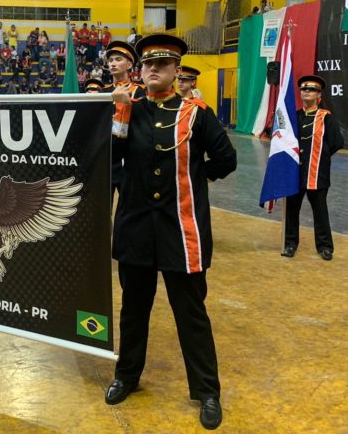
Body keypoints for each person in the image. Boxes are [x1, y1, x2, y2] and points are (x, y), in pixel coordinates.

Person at [106, 34, 237, 431]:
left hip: (183, 230)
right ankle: (127, 375)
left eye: (162, 65)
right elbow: (109, 159)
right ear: (139, 70)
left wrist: (197, 177)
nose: (153, 70)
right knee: (134, 310)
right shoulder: (128, 109)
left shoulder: (196, 113)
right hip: (137, 229)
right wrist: (117, 120)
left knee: (191, 314)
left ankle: (207, 391)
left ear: (177, 70)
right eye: (147, 65)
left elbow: (226, 159)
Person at [282, 75, 344, 261]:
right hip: (295, 173)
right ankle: (290, 243)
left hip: (317, 173)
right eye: (304, 89)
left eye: (312, 89)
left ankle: (325, 246)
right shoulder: (294, 116)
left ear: (319, 95)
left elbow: (336, 142)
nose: (307, 92)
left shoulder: (326, 118)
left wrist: (320, 157)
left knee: (320, 211)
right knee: (291, 210)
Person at [103, 41, 145, 202]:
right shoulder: (104, 92)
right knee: (103, 209)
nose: (113, 63)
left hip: (129, 160)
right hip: (106, 160)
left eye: (118, 59)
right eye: (111, 60)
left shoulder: (139, 91)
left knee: (131, 208)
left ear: (129, 64)